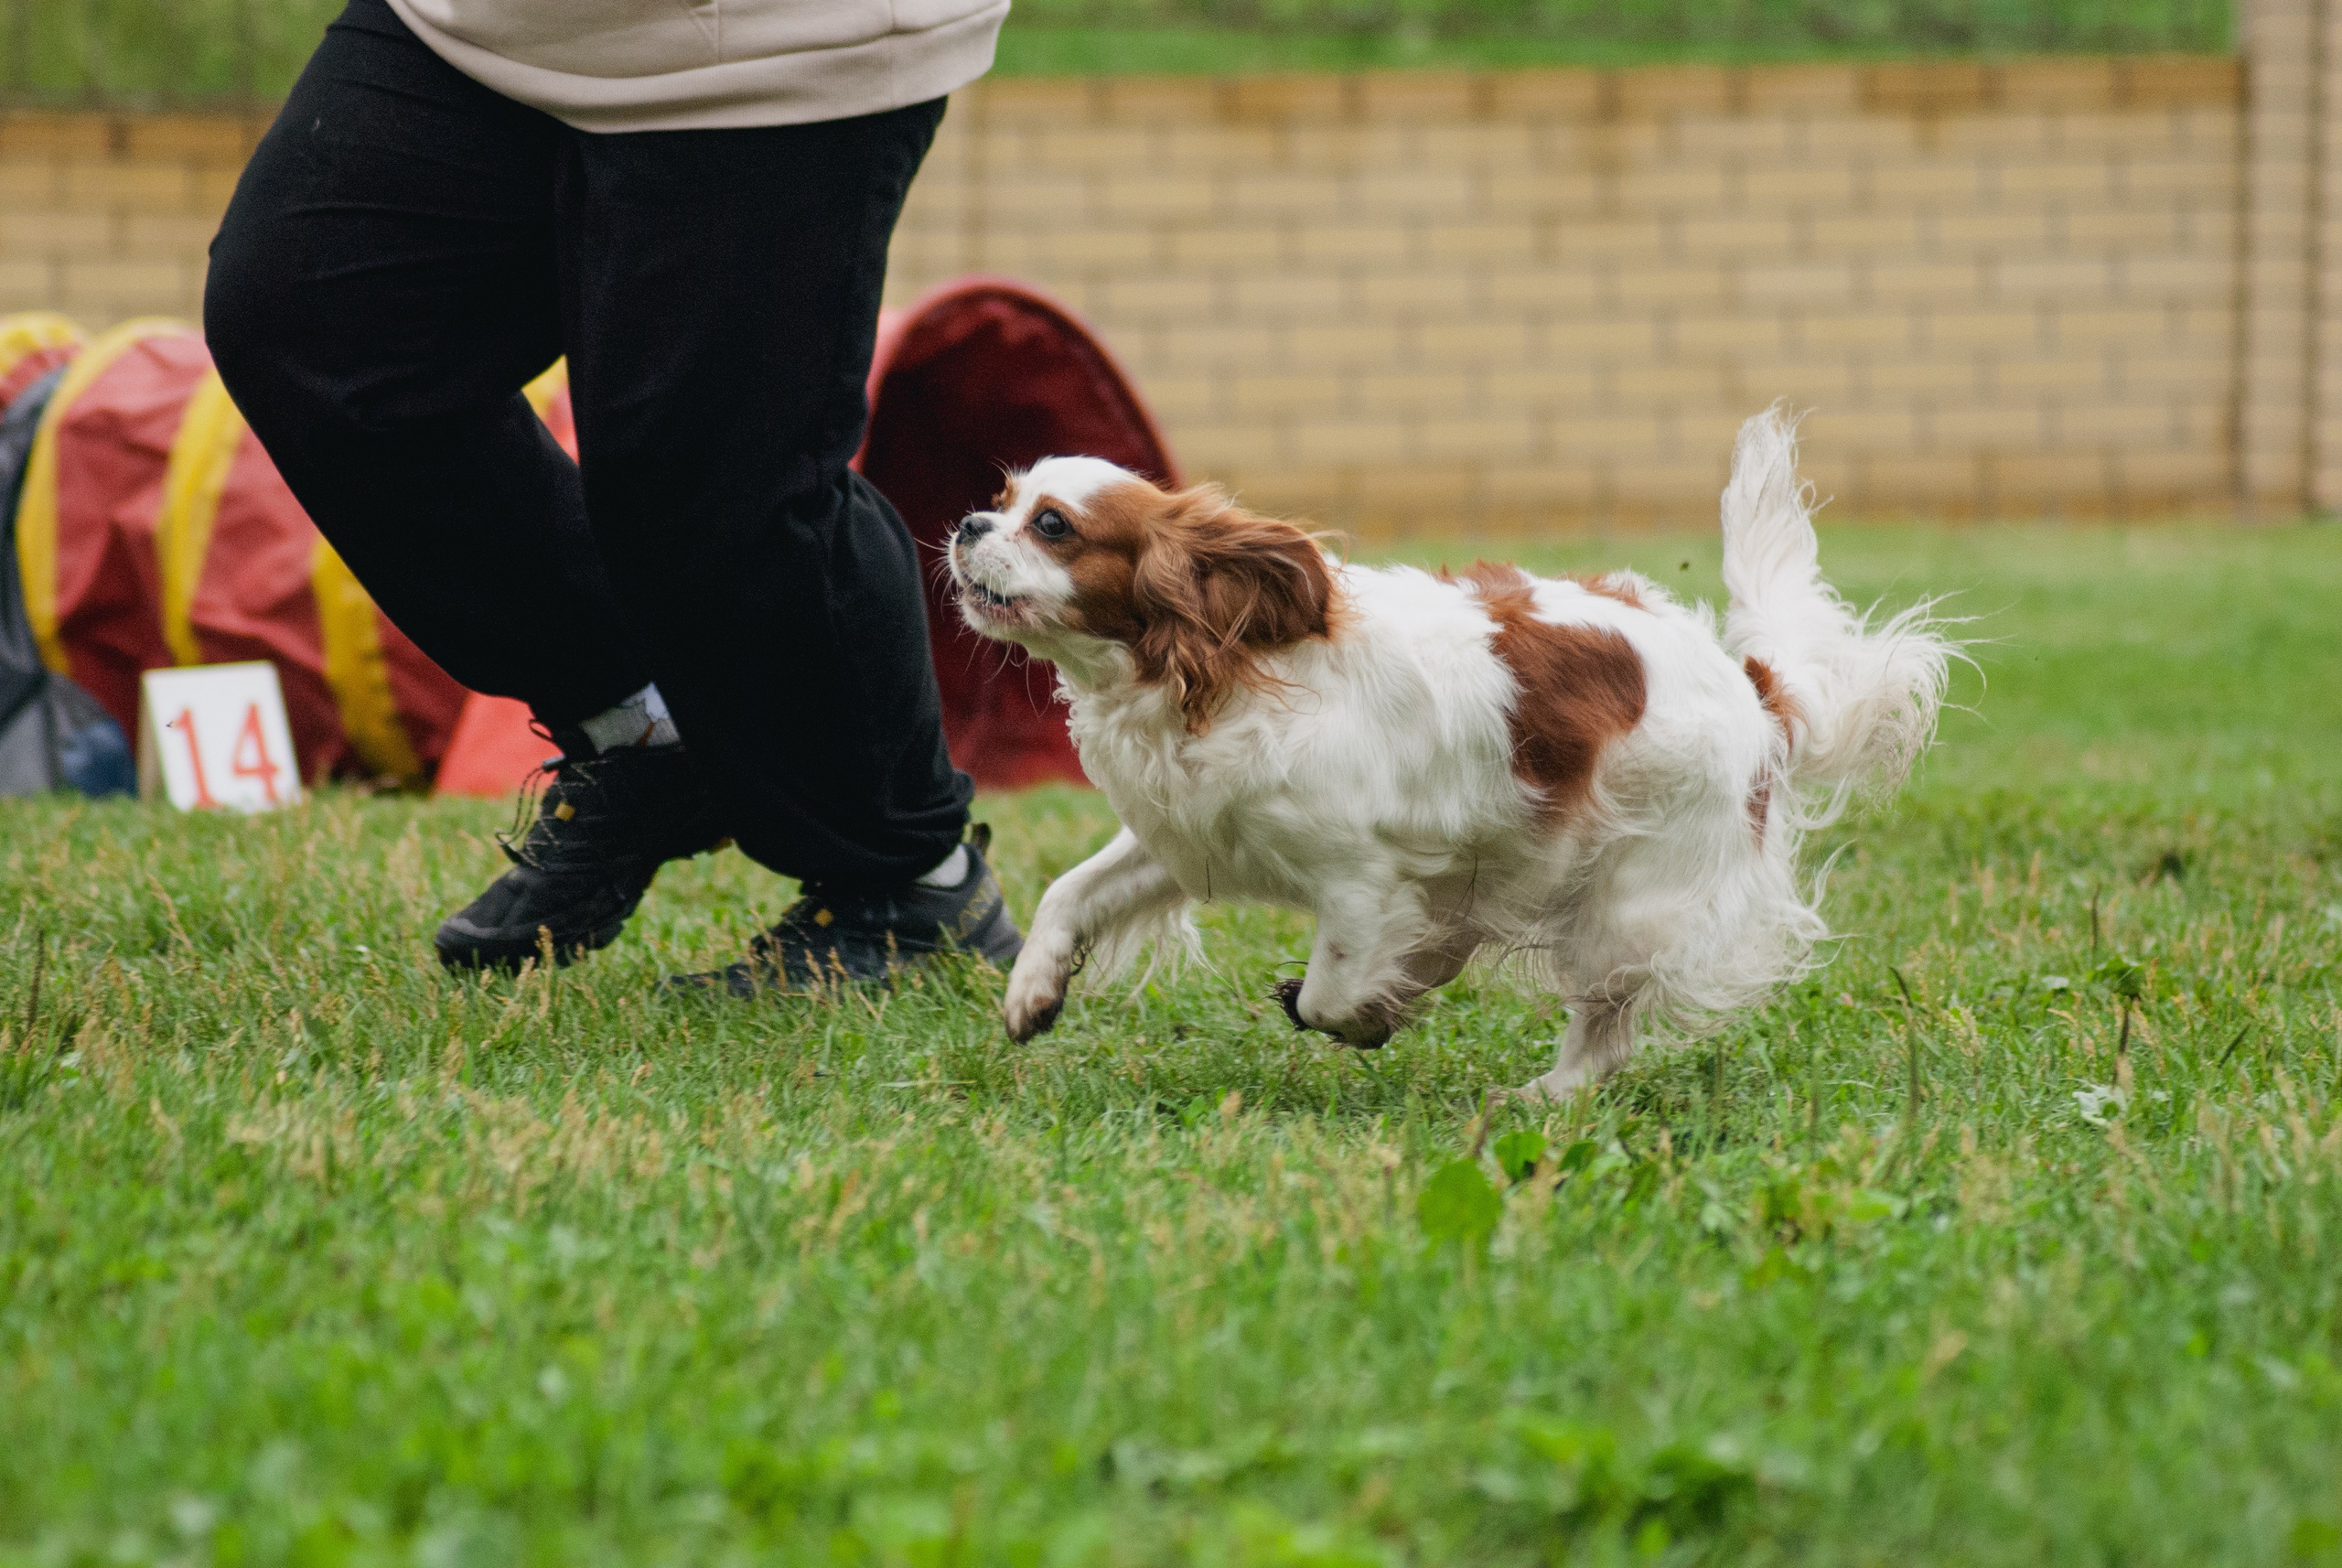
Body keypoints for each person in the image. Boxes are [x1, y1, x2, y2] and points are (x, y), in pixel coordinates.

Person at [203, 0, 1024, 993]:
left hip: (773, 46)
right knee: (316, 321)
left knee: (718, 488)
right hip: (478, 26)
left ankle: (910, 880)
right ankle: (643, 729)